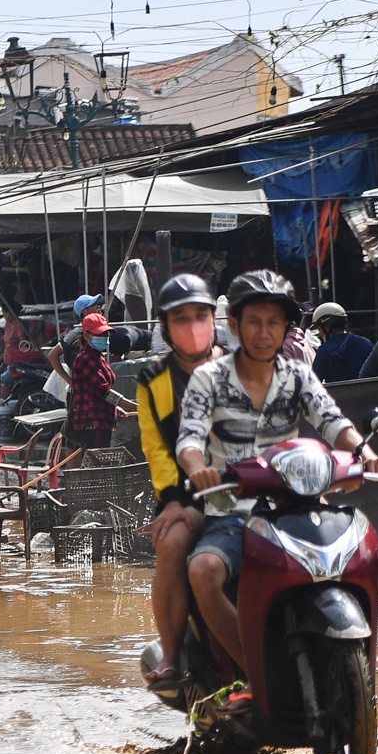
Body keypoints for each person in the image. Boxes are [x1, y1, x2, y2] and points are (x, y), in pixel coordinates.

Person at [178, 271, 378, 670]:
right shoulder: (208, 379)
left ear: (286, 328)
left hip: (296, 508)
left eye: (274, 322)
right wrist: (198, 467)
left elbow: (332, 421)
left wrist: (366, 453)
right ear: (234, 325)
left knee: (359, 555)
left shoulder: (298, 376)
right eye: (254, 322)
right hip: (232, 511)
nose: (264, 332)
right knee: (203, 571)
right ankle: (249, 672)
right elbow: (190, 438)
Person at [135, 274, 222, 689]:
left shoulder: (242, 366)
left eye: (200, 315)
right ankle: (171, 656)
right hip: (189, 495)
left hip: (249, 488)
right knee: (170, 543)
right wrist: (171, 501)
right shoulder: (152, 380)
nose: (192, 326)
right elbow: (156, 446)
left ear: (215, 319)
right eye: (181, 318)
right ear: (166, 327)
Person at [66, 312, 127, 449]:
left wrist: (116, 409)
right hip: (92, 424)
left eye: (105, 334)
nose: (104, 338)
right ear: (86, 336)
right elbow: (104, 391)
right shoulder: (85, 359)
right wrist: (137, 407)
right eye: (100, 335)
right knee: (95, 467)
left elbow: (99, 394)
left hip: (103, 421)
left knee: (101, 465)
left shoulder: (99, 358)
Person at [309, 302, 372, 383]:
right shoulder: (366, 344)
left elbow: (313, 383)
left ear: (327, 327)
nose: (320, 334)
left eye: (319, 329)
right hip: (369, 393)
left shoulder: (324, 351)